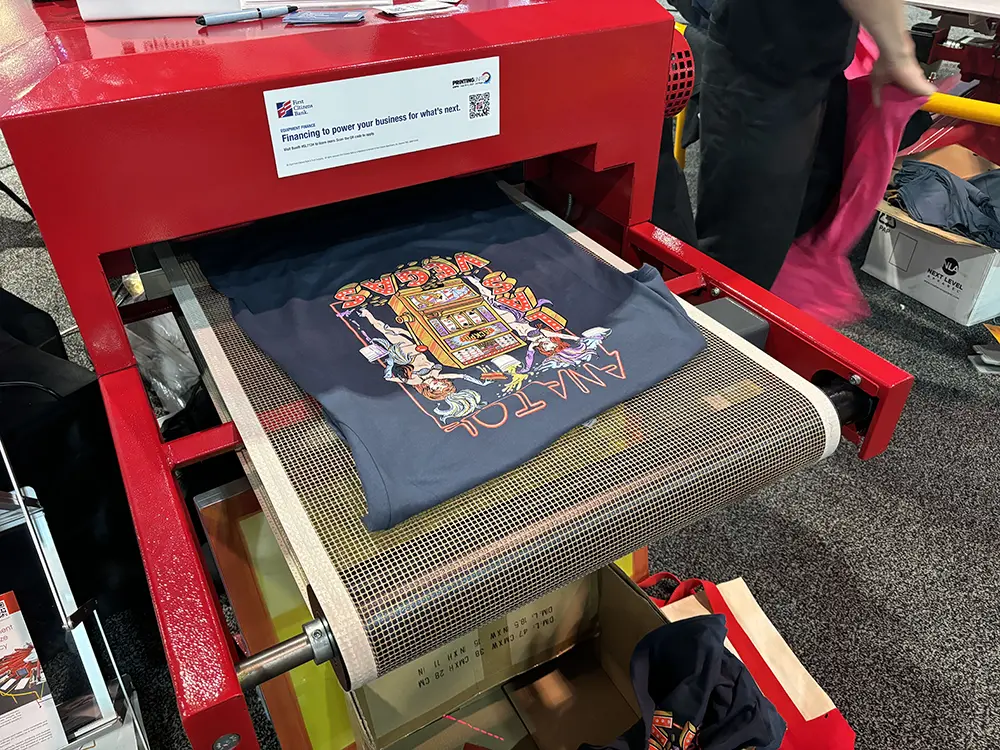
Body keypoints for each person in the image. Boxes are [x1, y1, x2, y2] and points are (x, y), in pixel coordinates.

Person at [658, 0, 934, 289]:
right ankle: (717, 322)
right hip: (763, 65)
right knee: (741, 257)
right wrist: (897, 52)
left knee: (799, 226)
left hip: (810, 61)